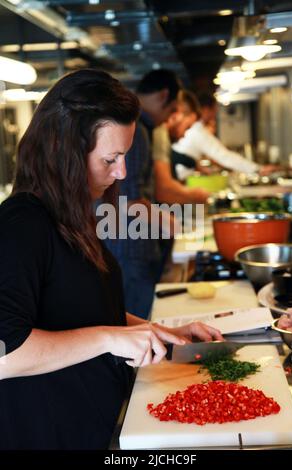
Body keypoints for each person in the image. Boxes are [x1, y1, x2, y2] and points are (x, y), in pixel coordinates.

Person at [0, 69, 223, 450]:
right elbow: (7, 351)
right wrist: (111, 339)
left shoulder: (72, 215)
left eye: (125, 156)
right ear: (64, 152)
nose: (121, 171)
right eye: (111, 158)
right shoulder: (22, 224)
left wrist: (164, 332)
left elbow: (85, 310)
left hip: (98, 421)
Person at [104, 69, 183, 320]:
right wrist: (172, 224)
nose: (168, 120)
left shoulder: (136, 128)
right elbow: (129, 199)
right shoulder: (135, 130)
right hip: (130, 248)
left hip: (123, 244)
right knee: (137, 331)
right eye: (172, 111)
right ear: (163, 95)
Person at [172, 90, 277, 175]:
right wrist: (257, 169)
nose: (215, 114)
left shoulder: (196, 130)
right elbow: (224, 156)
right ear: (205, 109)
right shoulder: (197, 131)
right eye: (214, 110)